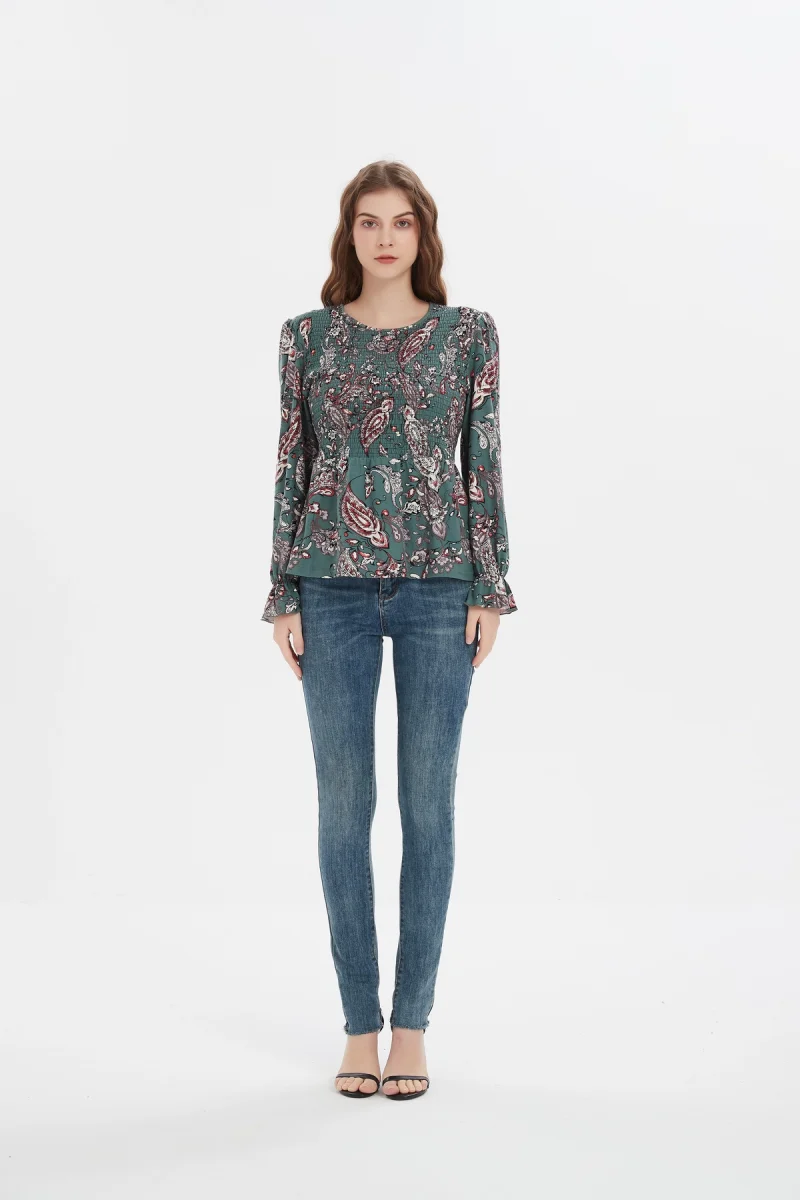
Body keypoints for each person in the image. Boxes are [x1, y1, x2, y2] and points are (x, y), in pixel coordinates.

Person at [261, 160, 518, 1100]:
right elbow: (292, 462)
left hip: (440, 588)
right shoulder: (307, 337)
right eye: (368, 222)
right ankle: (357, 1027)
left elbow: (483, 461)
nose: (384, 238)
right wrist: (281, 591)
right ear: (349, 233)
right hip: (327, 586)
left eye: (400, 222)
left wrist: (490, 583)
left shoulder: (468, 335)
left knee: (428, 809)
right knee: (343, 811)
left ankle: (411, 1025)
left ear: (422, 234)